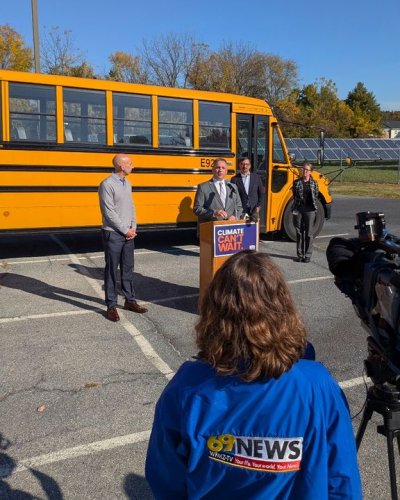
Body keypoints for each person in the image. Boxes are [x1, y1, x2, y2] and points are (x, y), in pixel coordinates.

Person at [145, 251, 362, 499]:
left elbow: (166, 482)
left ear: (213, 312)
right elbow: (343, 482)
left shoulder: (187, 387)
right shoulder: (318, 386)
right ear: (282, 308)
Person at [98, 154, 148, 322]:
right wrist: (125, 230)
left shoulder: (127, 183)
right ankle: (111, 305)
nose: (132, 166)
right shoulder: (107, 184)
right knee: (112, 270)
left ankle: (129, 300)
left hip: (128, 233)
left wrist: (133, 226)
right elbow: (109, 212)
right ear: (120, 166)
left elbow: (131, 206)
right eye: (130, 163)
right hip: (113, 233)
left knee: (127, 268)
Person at [193, 158, 243, 226]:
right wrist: (214, 213)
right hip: (210, 228)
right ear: (213, 170)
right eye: (218, 167)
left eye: (223, 168)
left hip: (230, 228)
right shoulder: (203, 187)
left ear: (226, 171)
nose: (220, 170)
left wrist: (235, 216)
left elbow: (239, 206)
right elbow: (197, 209)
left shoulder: (233, 186)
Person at [292, 162, 320, 263]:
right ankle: (300, 255)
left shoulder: (314, 183)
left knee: (309, 233)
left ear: (310, 171)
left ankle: (307, 255)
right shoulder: (296, 182)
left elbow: (316, 195)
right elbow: (294, 196)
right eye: (303, 169)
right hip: (299, 210)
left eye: (307, 170)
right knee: (299, 232)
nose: (304, 171)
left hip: (310, 211)